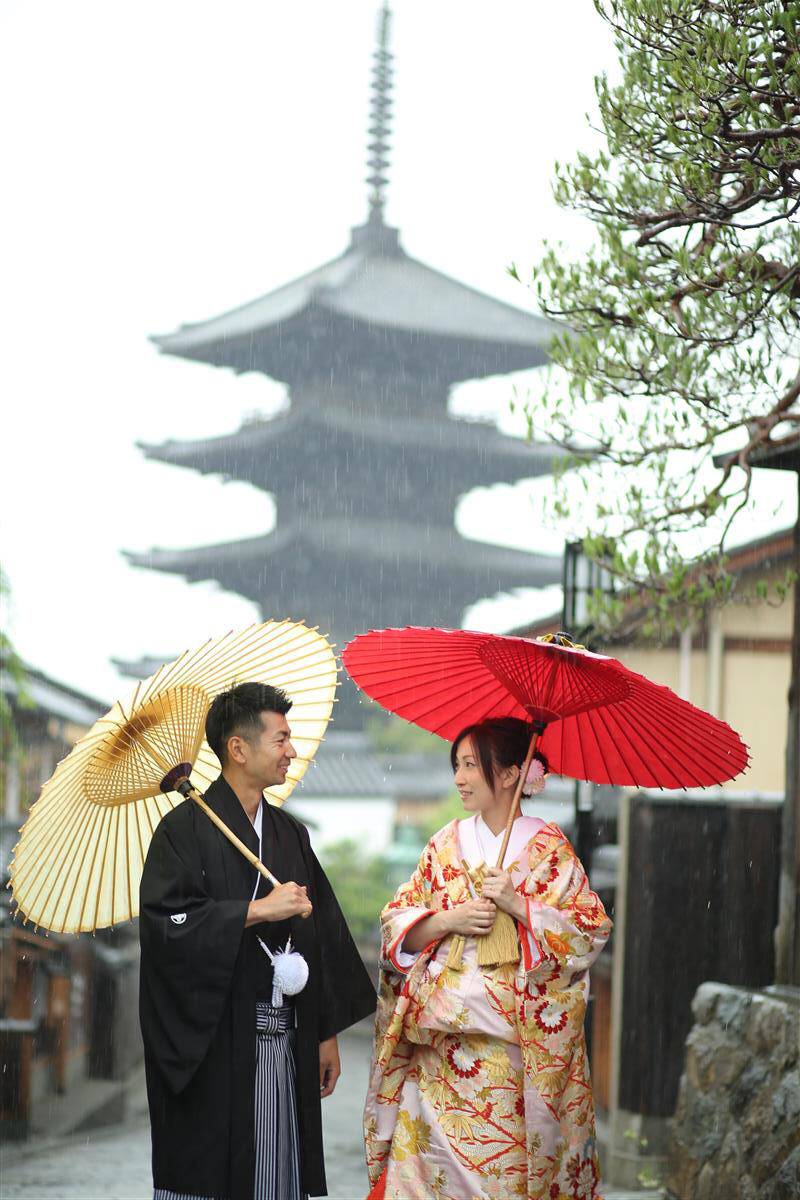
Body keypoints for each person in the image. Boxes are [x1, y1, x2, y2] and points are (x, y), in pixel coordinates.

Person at [139, 682, 376, 1200]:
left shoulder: (290, 834)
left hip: (283, 1038)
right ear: (238, 749)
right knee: (208, 1172)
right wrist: (255, 910)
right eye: (282, 739)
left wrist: (324, 1030)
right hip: (213, 1039)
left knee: (274, 1170)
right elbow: (164, 926)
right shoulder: (182, 832)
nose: (292, 750)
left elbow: (321, 933)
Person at [364, 717, 612, 1200]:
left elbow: (589, 930)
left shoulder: (549, 850)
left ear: (511, 774)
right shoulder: (443, 843)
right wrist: (448, 921)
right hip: (438, 1059)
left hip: (511, 1069)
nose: (459, 778)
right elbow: (396, 920)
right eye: (457, 764)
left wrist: (520, 906)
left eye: (471, 765)